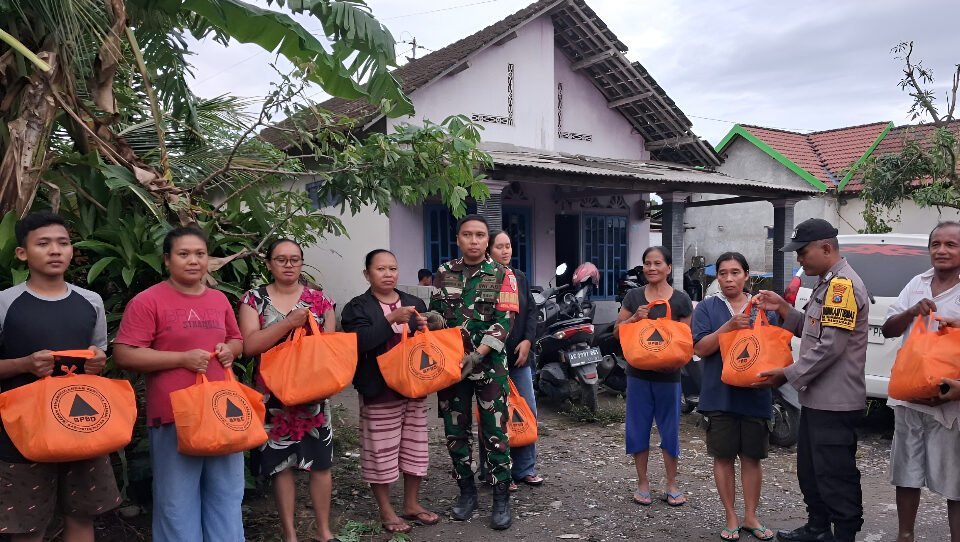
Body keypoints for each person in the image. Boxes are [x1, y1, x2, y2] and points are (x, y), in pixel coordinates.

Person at [114, 226, 245, 542]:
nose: (193, 261)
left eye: (200, 254)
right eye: (183, 254)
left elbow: (236, 338)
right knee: (176, 503)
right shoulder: (148, 301)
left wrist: (231, 349)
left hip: (222, 412)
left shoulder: (219, 299)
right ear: (167, 259)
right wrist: (181, 359)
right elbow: (124, 354)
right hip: (174, 415)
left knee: (226, 496)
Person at [0, 212, 120, 541]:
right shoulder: (6, 303)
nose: (55, 250)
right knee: (27, 527)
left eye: (63, 243)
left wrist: (98, 363)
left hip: (82, 426)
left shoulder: (90, 302)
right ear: (22, 253)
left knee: (82, 516)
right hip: (22, 434)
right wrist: (23, 364)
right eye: (43, 243)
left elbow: (99, 354)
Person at [752, 218, 868, 542]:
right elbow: (813, 329)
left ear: (826, 248)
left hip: (836, 400)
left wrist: (786, 376)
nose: (799, 260)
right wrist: (784, 308)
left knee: (835, 473)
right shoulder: (827, 283)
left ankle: (843, 534)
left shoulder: (843, 286)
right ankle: (817, 527)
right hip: (818, 398)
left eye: (803, 253)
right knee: (811, 470)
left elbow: (831, 346)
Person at [237, 239, 339, 542]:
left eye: (295, 259)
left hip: (313, 393)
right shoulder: (253, 300)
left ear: (301, 263)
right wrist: (289, 323)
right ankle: (290, 535)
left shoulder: (321, 300)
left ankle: (323, 531)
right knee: (280, 465)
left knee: (320, 463)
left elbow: (329, 349)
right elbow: (249, 347)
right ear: (268, 264)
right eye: (281, 259)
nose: (288, 264)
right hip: (273, 396)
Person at [428, 214, 519, 530]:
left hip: (490, 367)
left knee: (495, 433)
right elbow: (439, 317)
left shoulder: (503, 275)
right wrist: (431, 321)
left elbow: (504, 323)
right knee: (455, 431)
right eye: (467, 235)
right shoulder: (444, 273)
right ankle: (466, 492)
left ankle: (500, 497)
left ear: (487, 240)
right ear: (458, 239)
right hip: (452, 367)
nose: (474, 240)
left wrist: (477, 353)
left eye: (480, 235)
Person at [341, 249, 438, 535]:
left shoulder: (414, 302)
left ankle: (411, 504)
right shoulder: (357, 307)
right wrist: (390, 319)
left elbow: (425, 343)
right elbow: (360, 343)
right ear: (367, 274)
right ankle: (386, 510)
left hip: (413, 387)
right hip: (379, 390)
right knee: (380, 451)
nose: (388, 274)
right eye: (381, 269)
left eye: (393, 269)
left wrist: (425, 327)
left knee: (415, 448)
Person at [882, 221, 960, 542]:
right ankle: (905, 535)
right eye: (936, 244)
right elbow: (888, 328)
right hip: (910, 394)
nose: (941, 250)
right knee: (906, 473)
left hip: (950, 399)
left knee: (956, 480)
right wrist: (913, 311)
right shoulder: (917, 283)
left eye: (951, 245)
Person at [692, 252, 776, 541]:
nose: (729, 278)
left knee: (752, 457)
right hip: (719, 395)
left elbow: (774, 345)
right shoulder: (707, 307)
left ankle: (751, 515)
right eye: (723, 273)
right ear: (717, 277)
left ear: (747, 275)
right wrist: (729, 326)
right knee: (723, 457)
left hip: (755, 393)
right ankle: (731, 515)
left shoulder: (763, 307)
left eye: (735, 272)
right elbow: (701, 348)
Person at [614, 245, 693, 508]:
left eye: (658, 263)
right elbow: (617, 332)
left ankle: (672, 484)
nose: (652, 268)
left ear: (669, 268)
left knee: (669, 430)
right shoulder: (634, 297)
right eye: (647, 263)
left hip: (669, 377)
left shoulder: (681, 299)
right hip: (638, 374)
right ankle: (643, 483)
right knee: (638, 428)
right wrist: (635, 318)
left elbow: (686, 339)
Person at [479, 230, 543, 491]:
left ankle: (525, 469)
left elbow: (531, 312)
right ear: (489, 251)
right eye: (499, 247)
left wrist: (527, 340)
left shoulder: (519, 277)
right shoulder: (483, 279)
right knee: (493, 415)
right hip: (491, 357)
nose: (505, 251)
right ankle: (494, 470)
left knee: (526, 411)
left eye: (508, 246)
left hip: (519, 357)